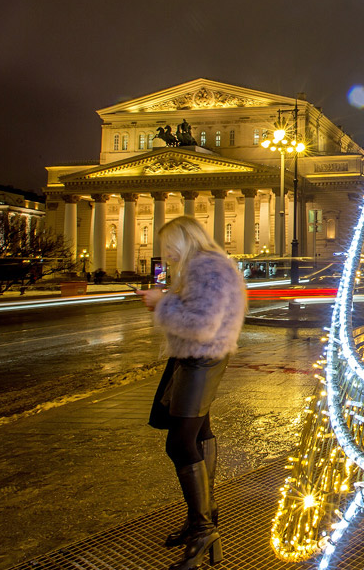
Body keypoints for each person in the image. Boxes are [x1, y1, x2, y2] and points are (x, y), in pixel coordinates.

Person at [136, 216, 246, 570]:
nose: (165, 253)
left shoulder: (204, 267)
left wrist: (161, 303)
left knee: (180, 443)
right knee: (200, 433)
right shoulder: (210, 264)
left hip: (201, 357)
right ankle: (205, 515)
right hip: (202, 356)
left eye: (169, 245)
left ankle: (203, 530)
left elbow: (200, 323)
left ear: (184, 241)